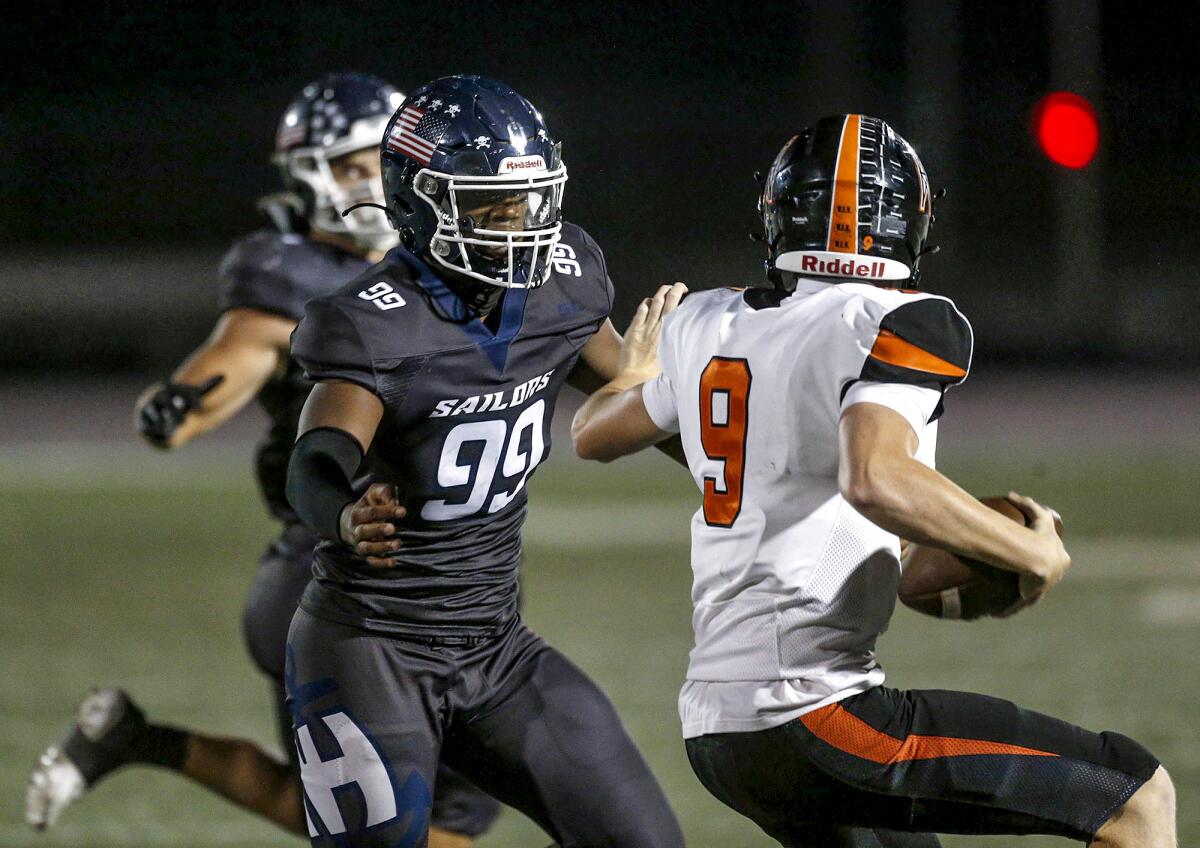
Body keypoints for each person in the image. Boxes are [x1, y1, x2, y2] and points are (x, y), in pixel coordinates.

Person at [570, 114, 1176, 847]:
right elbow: (875, 476)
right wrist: (1031, 553)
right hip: (812, 713)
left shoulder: (709, 319)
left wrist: (635, 372)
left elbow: (593, 435)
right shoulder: (903, 319)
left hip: (718, 727)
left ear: (776, 212)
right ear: (913, 221)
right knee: (1136, 797)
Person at [25, 73, 501, 848]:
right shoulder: (294, 273)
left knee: (391, 819)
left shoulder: (438, 259)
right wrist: (185, 399)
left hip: (428, 583)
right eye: (353, 165)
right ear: (311, 173)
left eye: (386, 160)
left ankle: (135, 739)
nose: (375, 183)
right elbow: (240, 349)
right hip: (341, 584)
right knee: (405, 830)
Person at [282, 74, 685, 848]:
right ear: (418, 202)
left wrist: (735, 465)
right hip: (372, 649)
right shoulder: (375, 323)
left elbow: (645, 409)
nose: (518, 227)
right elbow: (317, 457)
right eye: (489, 207)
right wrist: (342, 512)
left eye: (528, 203)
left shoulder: (562, 283)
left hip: (494, 648)